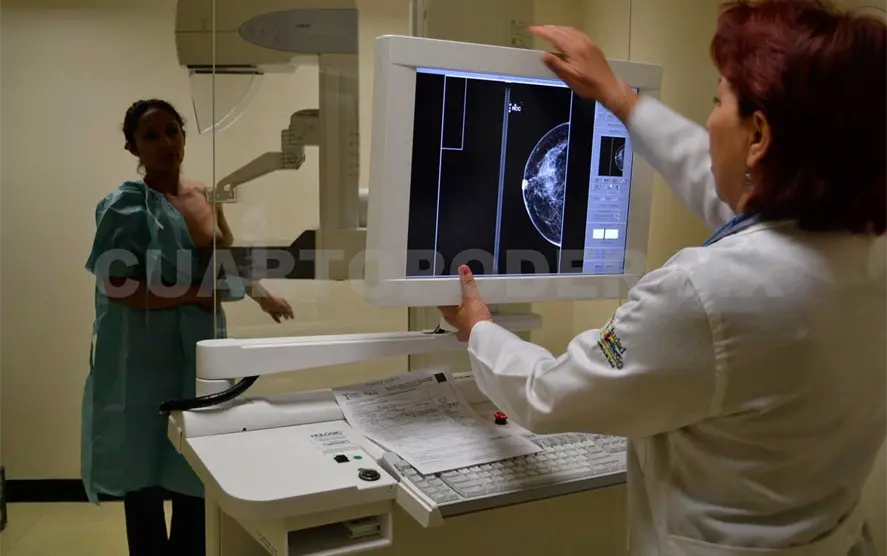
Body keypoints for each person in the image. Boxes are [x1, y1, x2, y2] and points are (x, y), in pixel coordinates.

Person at [440, 1, 887, 554]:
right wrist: (620, 99)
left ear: (759, 136)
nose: (709, 122)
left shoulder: (704, 292)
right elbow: (725, 187)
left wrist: (479, 329)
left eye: (718, 101)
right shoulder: (863, 249)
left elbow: (549, 395)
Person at [82, 98, 294, 555]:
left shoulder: (206, 195)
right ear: (132, 148)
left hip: (200, 344)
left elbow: (225, 261)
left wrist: (262, 296)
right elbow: (118, 286)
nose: (166, 143)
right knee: (141, 456)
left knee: (199, 455)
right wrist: (192, 295)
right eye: (151, 136)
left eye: (172, 131)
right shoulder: (124, 207)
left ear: (183, 136)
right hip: (142, 349)